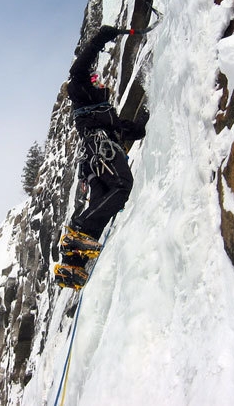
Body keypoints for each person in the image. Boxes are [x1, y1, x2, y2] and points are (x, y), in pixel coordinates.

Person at [55, 25, 150, 289]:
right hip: (100, 150)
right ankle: (77, 232)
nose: (99, 81)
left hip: (94, 159)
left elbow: (125, 128)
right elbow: (79, 70)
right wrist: (103, 36)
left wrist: (145, 119)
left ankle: (73, 264)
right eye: (95, 79)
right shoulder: (81, 89)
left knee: (102, 205)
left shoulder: (101, 111)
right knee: (122, 185)